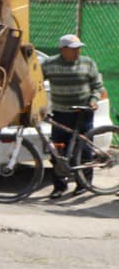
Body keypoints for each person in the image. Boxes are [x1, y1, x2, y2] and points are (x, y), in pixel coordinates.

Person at [43, 33, 107, 199]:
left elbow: (97, 86)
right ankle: (59, 186)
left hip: (83, 113)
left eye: (78, 48)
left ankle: (83, 184)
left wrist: (93, 100)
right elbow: (36, 84)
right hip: (60, 113)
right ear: (62, 49)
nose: (77, 51)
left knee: (83, 150)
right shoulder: (50, 64)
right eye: (73, 49)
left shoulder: (88, 63)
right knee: (58, 151)